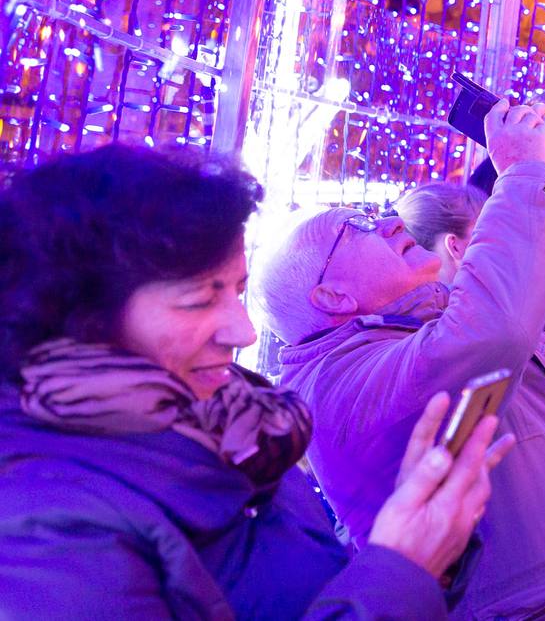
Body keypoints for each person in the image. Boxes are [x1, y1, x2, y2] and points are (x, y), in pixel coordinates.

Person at [0, 145, 506, 617]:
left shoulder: (239, 425)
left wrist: (413, 541)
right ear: (84, 317)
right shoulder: (45, 523)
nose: (241, 331)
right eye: (199, 299)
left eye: (237, 292)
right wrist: (401, 568)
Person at [255, 102, 545, 620]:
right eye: (360, 225)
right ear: (332, 297)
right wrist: (524, 172)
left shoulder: (434, 330)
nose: (390, 222)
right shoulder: (338, 385)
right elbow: (492, 335)